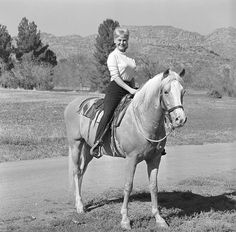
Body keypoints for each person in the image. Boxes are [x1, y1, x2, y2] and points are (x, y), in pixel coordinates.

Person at [90, 27, 138, 157]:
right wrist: (130, 90)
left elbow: (131, 76)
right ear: (115, 41)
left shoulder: (130, 58)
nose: (122, 43)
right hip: (116, 89)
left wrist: (134, 90)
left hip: (130, 87)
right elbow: (116, 77)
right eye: (120, 40)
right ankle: (97, 143)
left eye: (125, 40)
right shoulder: (113, 56)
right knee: (108, 113)